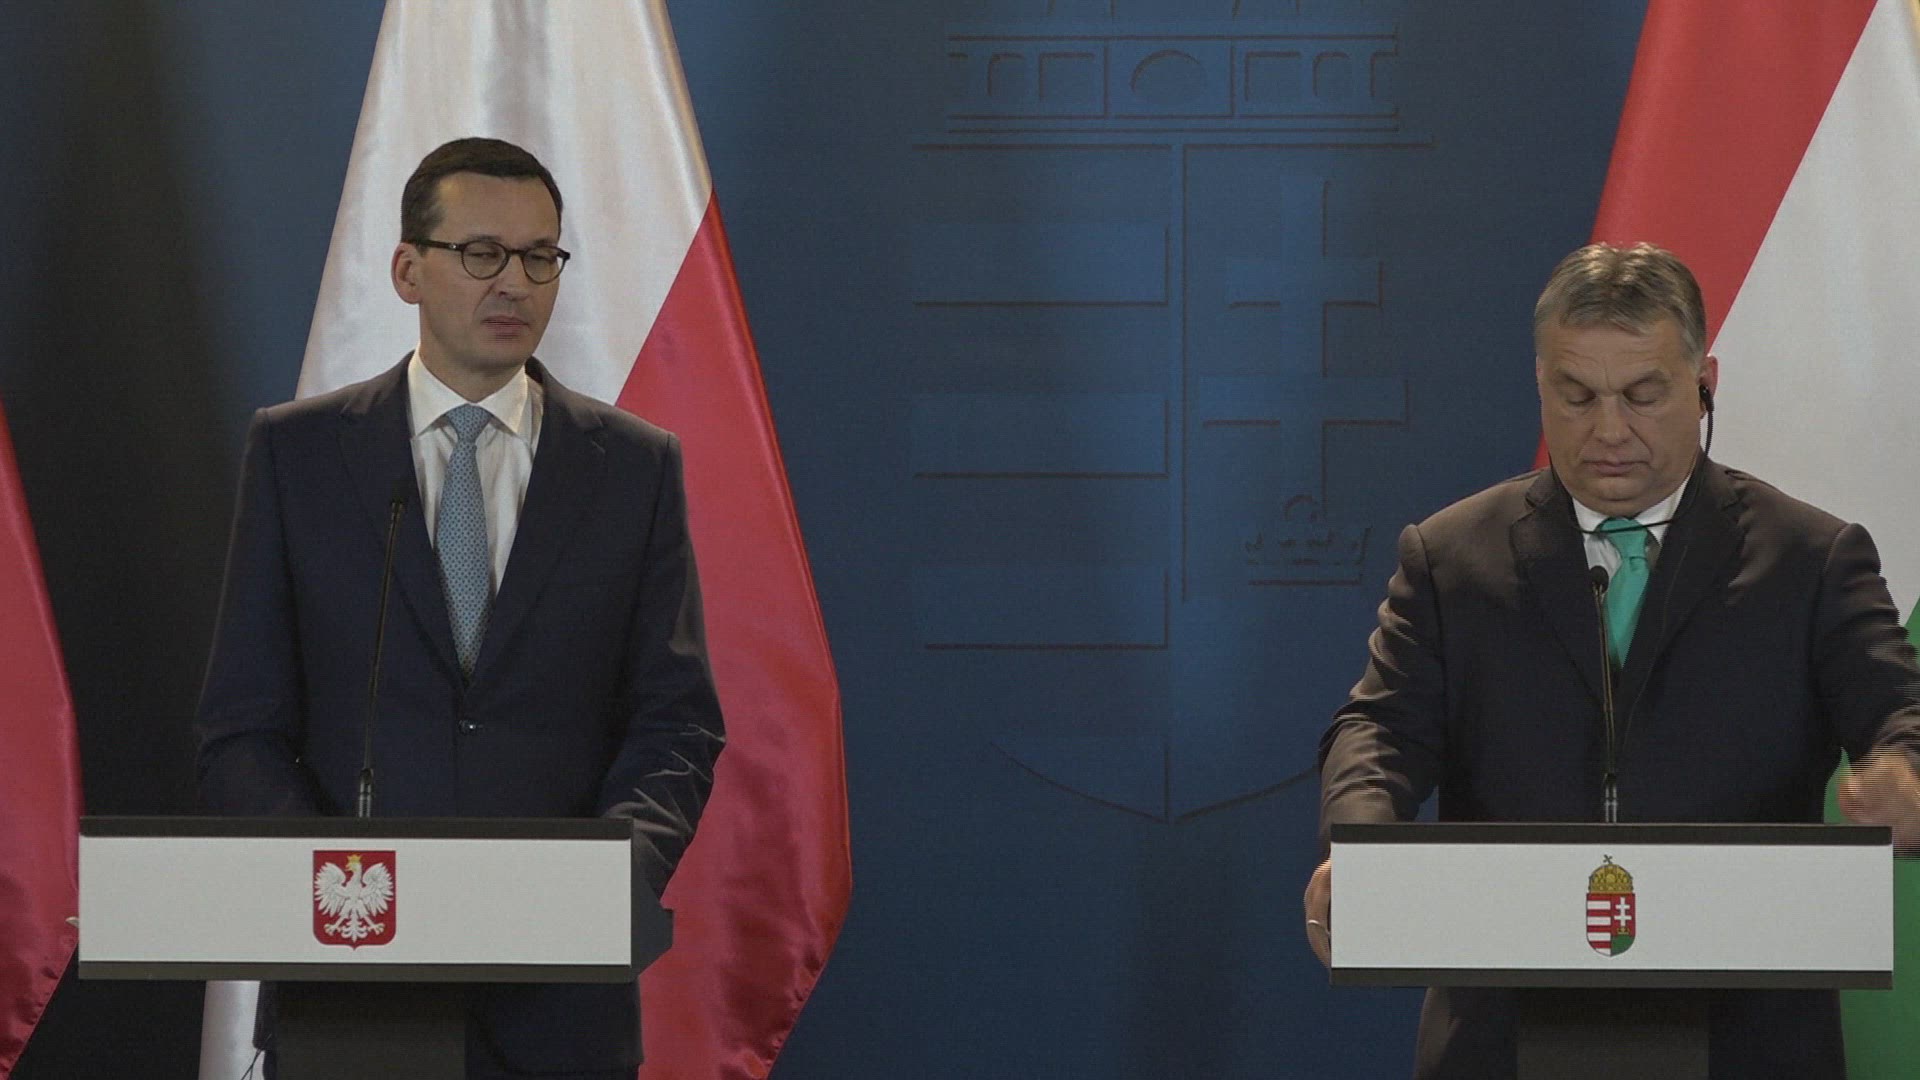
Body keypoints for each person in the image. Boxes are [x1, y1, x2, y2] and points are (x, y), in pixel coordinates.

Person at [1305, 241, 1920, 1079]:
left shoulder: (1809, 559)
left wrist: (1904, 775)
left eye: (1642, 395)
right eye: (1577, 395)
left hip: (1749, 1040)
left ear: (1704, 382)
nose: (1608, 430)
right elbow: (1379, 729)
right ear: (1540, 384)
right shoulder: (1453, 559)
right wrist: (1365, 844)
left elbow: (1900, 714)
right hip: (1505, 1039)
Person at [196, 136, 726, 1079]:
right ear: (408, 269)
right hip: (352, 993)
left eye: (539, 256)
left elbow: (676, 723)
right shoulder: (298, 455)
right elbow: (242, 726)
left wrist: (604, 879)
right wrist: (344, 888)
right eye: (481, 253)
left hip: (561, 1004)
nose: (513, 282)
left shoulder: (633, 468)